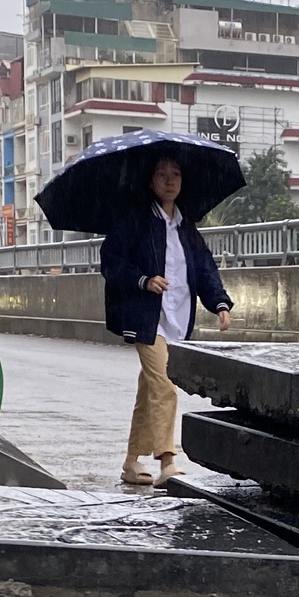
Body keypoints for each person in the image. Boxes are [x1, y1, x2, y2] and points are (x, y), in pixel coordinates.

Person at [101, 153, 233, 486]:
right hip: (146, 318)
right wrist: (144, 280)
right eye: (162, 174)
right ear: (150, 181)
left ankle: (131, 462)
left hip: (179, 317)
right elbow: (112, 263)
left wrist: (219, 303)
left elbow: (204, 268)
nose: (170, 180)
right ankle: (167, 461)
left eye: (176, 174)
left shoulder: (186, 227)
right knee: (164, 385)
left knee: (149, 389)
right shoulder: (134, 220)